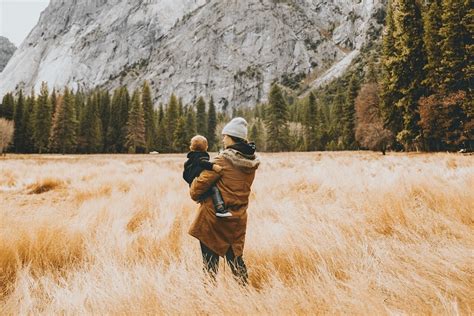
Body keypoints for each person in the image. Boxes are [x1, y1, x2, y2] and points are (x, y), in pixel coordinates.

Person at [188, 117, 260, 285]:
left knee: (210, 268)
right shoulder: (250, 162)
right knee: (237, 264)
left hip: (214, 221)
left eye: (225, 136)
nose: (222, 139)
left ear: (232, 137)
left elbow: (196, 190)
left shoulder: (222, 160)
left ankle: (209, 304)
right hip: (237, 220)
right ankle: (246, 299)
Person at [183, 135, 232, 217]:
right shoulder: (200, 157)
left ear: (191, 147)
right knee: (214, 189)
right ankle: (220, 208)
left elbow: (184, 175)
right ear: (206, 148)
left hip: (192, 185)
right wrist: (213, 167)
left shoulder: (189, 160)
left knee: (207, 194)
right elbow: (203, 163)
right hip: (197, 183)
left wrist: (191, 181)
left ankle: (201, 199)